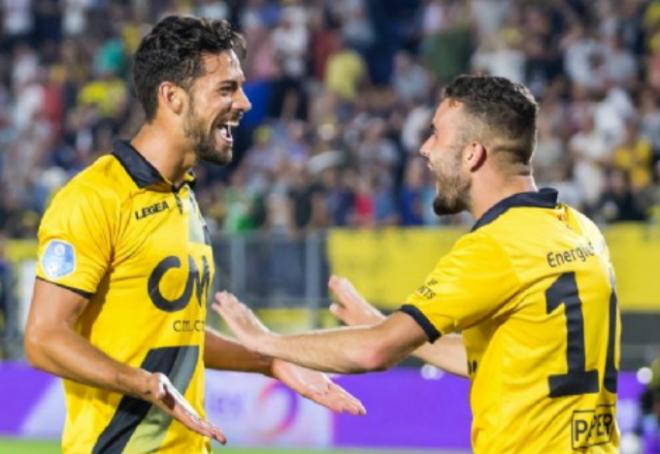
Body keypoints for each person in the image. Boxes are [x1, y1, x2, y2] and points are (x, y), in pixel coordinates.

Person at [214, 75, 621, 453]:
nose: (425, 148)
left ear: (473, 154)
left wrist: (262, 342)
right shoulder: (580, 229)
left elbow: (373, 352)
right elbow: (507, 359)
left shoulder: (495, 246)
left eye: (436, 134)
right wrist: (389, 325)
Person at [24, 16, 364, 454]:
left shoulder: (183, 196)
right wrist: (142, 384)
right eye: (226, 88)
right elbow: (43, 337)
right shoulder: (94, 198)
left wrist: (272, 362)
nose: (244, 103)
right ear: (172, 97)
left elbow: (176, 334)